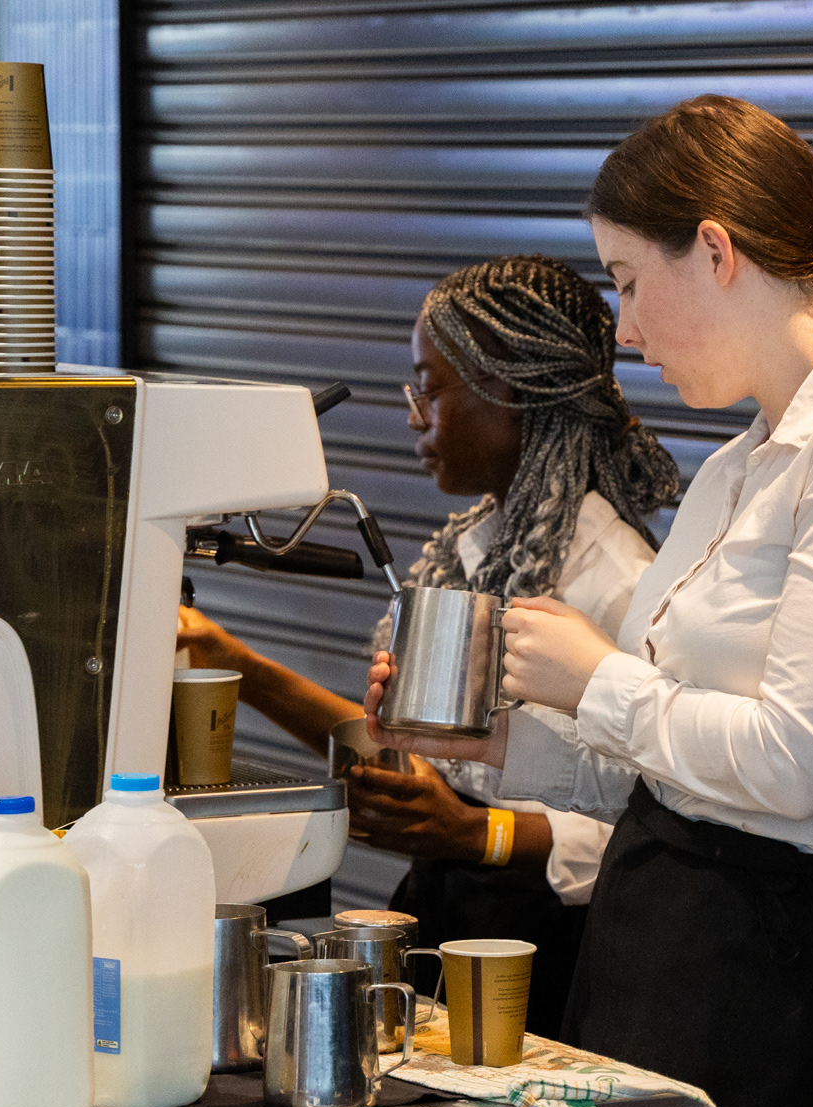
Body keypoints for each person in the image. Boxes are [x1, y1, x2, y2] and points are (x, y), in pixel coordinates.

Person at [365, 96, 813, 1107]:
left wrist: (593, 678)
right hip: (660, 932)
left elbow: (793, 762)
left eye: (630, 283)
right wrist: (500, 739)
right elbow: (669, 737)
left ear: (715, 247)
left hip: (770, 964)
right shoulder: (746, 459)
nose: (631, 331)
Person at [179, 254, 678, 1033]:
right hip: (448, 906)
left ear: (509, 390)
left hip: (552, 947)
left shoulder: (619, 581)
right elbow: (419, 758)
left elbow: (650, 818)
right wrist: (229, 660)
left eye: (429, 389)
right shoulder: (475, 551)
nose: (414, 417)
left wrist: (476, 833)